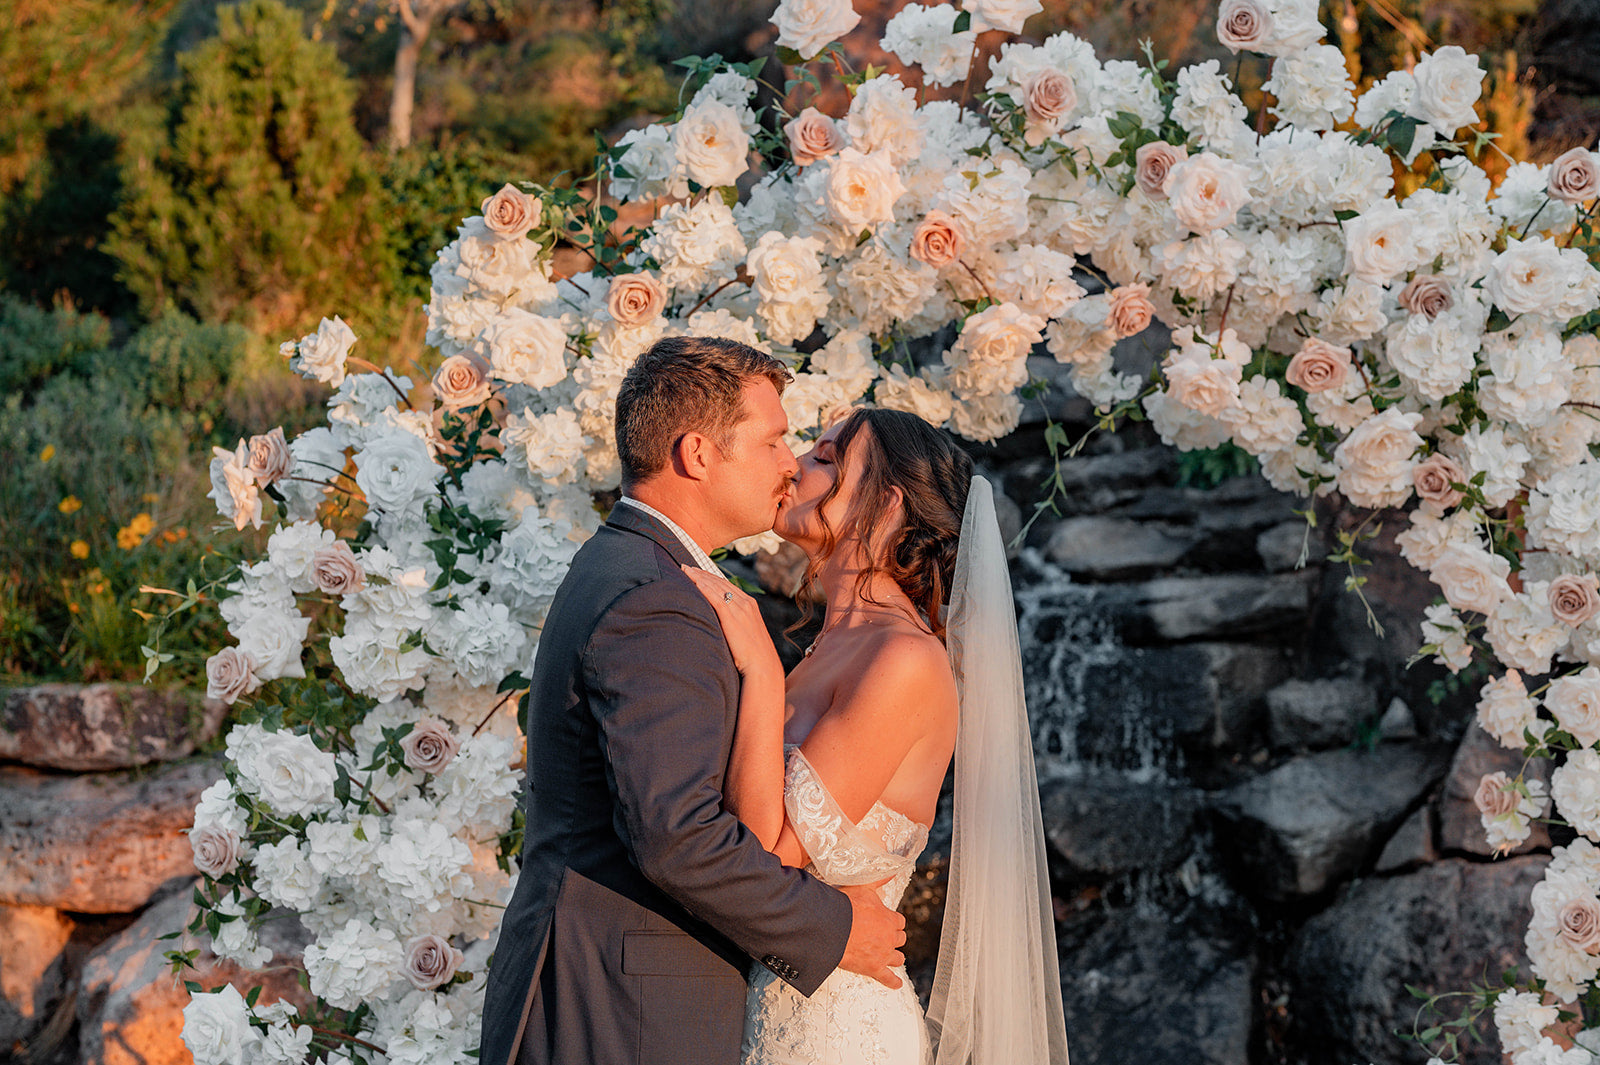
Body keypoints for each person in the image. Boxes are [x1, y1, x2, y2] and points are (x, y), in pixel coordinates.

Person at [478, 337, 909, 1065]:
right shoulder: (657, 597)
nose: (788, 463)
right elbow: (677, 833)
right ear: (699, 453)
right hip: (615, 1012)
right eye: (773, 439)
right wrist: (835, 928)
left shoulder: (638, 567)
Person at [682, 407, 1072, 1065]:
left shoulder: (904, 660)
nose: (794, 467)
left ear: (888, 505)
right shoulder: (830, 650)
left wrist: (759, 672)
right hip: (766, 1010)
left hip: (839, 1033)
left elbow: (771, 856)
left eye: (828, 460)